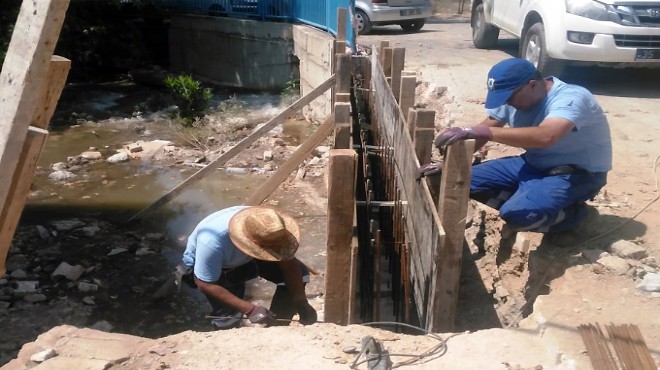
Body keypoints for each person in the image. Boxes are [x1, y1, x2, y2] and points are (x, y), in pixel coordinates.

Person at [433, 58, 612, 239]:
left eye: (509, 97)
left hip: (576, 175)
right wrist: (448, 166)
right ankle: (530, 200)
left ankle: (577, 217)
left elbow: (546, 136)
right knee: (455, 180)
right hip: (533, 164)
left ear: (532, 85)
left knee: (519, 216)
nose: (507, 102)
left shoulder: (571, 98)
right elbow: (484, 129)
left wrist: (483, 131)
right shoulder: (515, 97)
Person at [181, 205, 317, 329]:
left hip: (246, 257)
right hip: (217, 269)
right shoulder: (212, 241)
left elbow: (289, 266)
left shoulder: (272, 227)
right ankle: (228, 337)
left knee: (301, 274)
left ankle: (277, 326)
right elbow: (205, 283)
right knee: (228, 318)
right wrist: (250, 309)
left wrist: (300, 300)